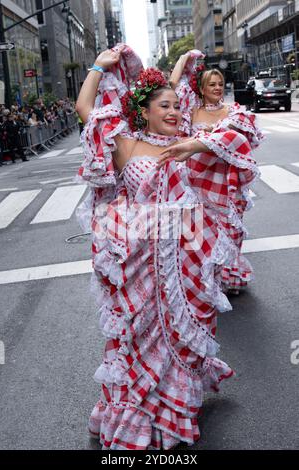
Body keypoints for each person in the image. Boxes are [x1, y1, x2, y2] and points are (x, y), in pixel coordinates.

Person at [75, 44, 257, 450]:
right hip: (139, 266)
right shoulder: (124, 145)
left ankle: (175, 411)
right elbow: (86, 109)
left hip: (185, 265)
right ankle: (137, 417)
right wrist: (96, 67)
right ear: (145, 112)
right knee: (138, 342)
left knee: (181, 338)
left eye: (178, 106)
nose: (175, 112)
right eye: (165, 106)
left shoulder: (189, 140)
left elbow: (241, 132)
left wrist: (195, 146)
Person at [170, 51, 263, 294]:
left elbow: (242, 137)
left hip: (226, 182)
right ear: (201, 88)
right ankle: (206, 278)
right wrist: (184, 59)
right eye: (212, 84)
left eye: (221, 84)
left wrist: (217, 129)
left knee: (230, 230)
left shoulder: (233, 111)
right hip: (198, 182)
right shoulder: (190, 110)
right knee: (204, 233)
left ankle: (229, 277)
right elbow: (173, 85)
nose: (217, 88)